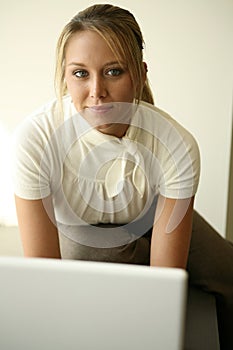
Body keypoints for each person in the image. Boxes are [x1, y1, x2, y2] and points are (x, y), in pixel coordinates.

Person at [12, 4, 233, 349]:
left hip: (152, 213)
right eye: (80, 74)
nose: (97, 90)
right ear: (65, 77)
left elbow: (163, 285)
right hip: (81, 226)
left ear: (140, 75)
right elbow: (44, 279)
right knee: (108, 260)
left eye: (113, 71)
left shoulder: (177, 144)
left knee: (228, 271)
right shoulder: (36, 138)